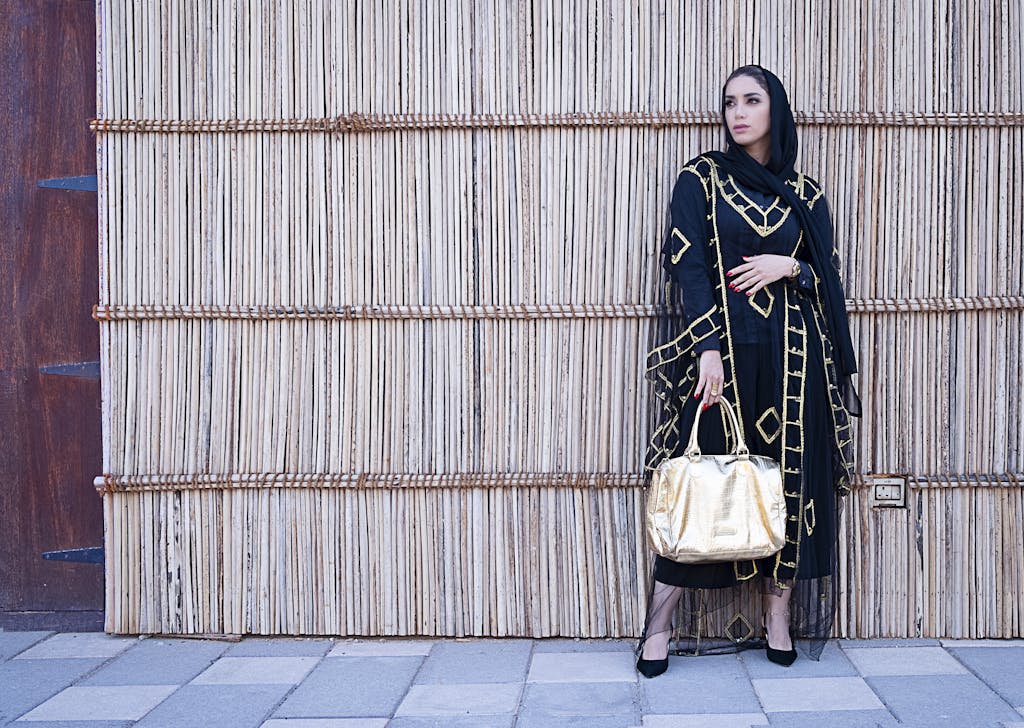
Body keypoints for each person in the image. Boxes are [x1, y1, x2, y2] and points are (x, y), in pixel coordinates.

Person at [635, 65, 861, 678]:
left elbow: (828, 280)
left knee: (788, 488)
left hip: (794, 363)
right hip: (724, 361)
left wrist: (788, 269)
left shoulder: (806, 195)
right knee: (703, 482)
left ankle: (777, 618)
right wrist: (706, 348)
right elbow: (688, 267)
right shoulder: (701, 180)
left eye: (752, 100)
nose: (738, 112)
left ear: (775, 109)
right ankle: (660, 625)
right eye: (730, 101)